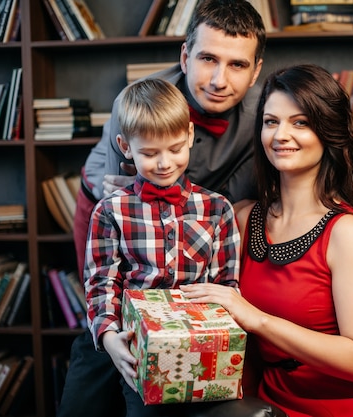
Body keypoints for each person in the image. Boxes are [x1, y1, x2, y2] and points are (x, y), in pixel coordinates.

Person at [180, 64, 353, 417]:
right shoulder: (244, 217)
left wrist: (256, 319)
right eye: (271, 121)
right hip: (277, 396)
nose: (280, 135)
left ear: (328, 132)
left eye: (300, 122)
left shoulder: (347, 231)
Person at [58, 1, 265, 416]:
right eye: (208, 59)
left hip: (197, 220)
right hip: (115, 206)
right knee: (100, 347)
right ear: (185, 56)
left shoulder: (263, 115)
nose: (220, 80)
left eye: (237, 65)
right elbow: (124, 208)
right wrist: (111, 326)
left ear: (255, 71)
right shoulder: (136, 103)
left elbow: (242, 199)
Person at [84, 77, 241, 417]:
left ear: (189, 135)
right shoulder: (110, 210)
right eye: (149, 153)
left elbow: (226, 286)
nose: (164, 163)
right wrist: (110, 337)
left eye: (174, 149)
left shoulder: (218, 209)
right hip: (136, 345)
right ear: (125, 147)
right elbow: (101, 282)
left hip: (204, 349)